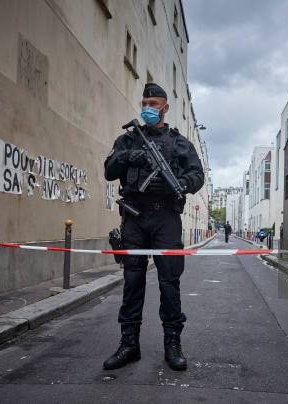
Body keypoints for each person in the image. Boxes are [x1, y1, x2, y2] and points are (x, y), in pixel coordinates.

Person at [103, 83, 204, 371]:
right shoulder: (128, 140)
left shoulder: (179, 142)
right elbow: (109, 170)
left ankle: (172, 344)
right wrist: (127, 157)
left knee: (169, 283)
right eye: (145, 102)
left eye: (154, 103)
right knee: (133, 281)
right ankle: (129, 344)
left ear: (165, 107)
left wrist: (180, 183)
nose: (148, 107)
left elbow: (197, 175)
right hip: (135, 217)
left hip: (166, 219)